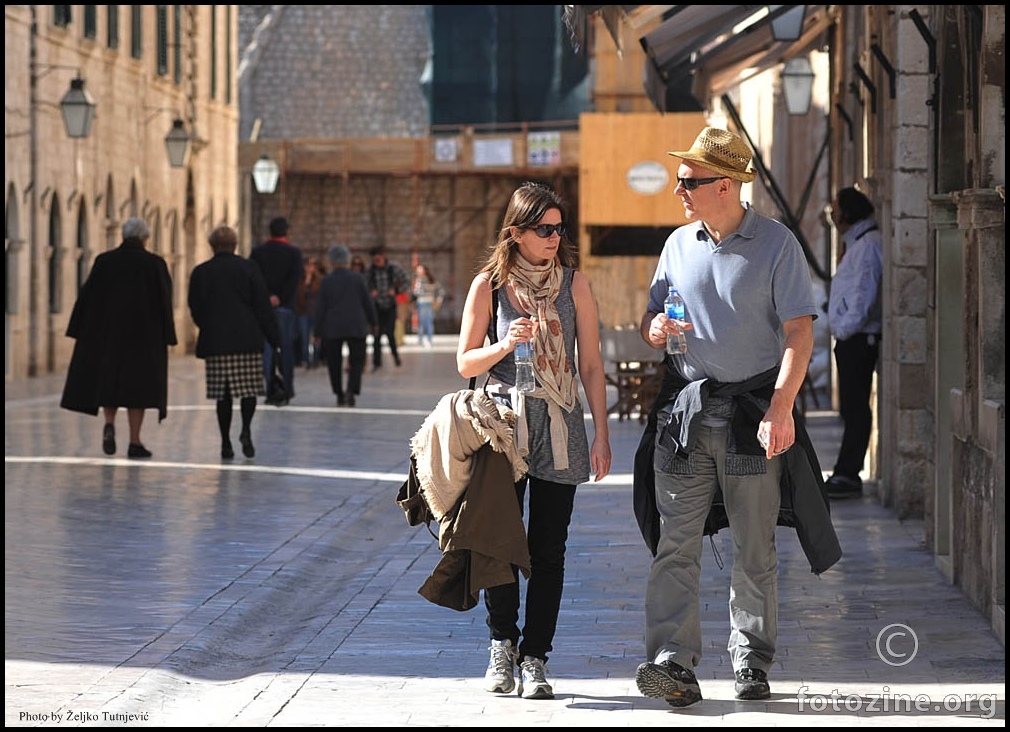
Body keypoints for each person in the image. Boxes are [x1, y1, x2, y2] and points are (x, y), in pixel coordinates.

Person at [634, 128, 837, 707]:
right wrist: (657, 330)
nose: (679, 189)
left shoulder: (777, 245)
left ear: (725, 186)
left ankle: (750, 658)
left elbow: (800, 332)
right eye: (678, 179)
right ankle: (673, 661)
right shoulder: (677, 244)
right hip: (686, 415)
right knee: (676, 543)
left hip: (752, 415)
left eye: (689, 181)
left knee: (754, 547)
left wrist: (781, 406)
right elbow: (653, 319)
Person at [457, 181, 612, 700]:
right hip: (504, 426)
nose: (554, 237)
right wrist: (505, 343)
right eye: (543, 229)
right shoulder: (490, 286)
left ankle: (535, 657)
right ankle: (501, 643)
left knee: (550, 549)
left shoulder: (576, 285)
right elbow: (464, 363)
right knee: (502, 541)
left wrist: (602, 433)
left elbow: (590, 364)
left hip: (562, 425)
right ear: (517, 232)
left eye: (558, 228)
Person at [60, 217, 177, 459]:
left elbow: (87, 297)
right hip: (144, 339)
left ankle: (110, 423)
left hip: (108, 336)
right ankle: (135, 442)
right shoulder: (155, 264)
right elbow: (165, 301)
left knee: (109, 383)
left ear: (123, 236)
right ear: (145, 238)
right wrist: (168, 335)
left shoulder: (104, 261)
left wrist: (80, 330)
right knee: (139, 390)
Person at [187, 225, 281, 459]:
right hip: (247, 339)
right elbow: (262, 305)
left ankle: (226, 442)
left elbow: (195, 306)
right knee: (248, 390)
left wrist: (206, 326)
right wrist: (274, 337)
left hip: (217, 341)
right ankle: (246, 430)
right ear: (235, 245)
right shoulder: (249, 268)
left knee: (223, 394)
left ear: (212, 246)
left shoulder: (201, 271)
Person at [824, 187, 883, 498]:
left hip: (858, 338)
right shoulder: (857, 243)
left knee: (857, 408)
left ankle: (848, 472)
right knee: (852, 407)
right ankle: (846, 470)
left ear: (847, 213)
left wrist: (845, 329)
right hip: (850, 337)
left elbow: (864, 293)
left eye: (835, 210)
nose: (833, 216)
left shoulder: (868, 245)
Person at [314, 244, 377, 407]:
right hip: (356, 326)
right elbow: (367, 302)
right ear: (347, 260)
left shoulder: (327, 281)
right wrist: (373, 322)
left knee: (334, 362)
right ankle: (351, 390)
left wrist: (317, 331)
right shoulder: (358, 278)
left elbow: (320, 307)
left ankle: (339, 394)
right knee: (357, 361)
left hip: (332, 328)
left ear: (331, 261)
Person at [249, 217, 304, 405]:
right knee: (286, 349)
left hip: (262, 308)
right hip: (285, 308)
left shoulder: (257, 253)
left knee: (266, 349)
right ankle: (287, 388)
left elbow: (254, 278)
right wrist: (280, 297)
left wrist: (267, 296)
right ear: (287, 231)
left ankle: (270, 387)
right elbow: (294, 279)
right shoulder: (294, 253)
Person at [365, 244, 409, 370]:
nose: (377, 262)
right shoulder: (370, 271)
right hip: (376, 306)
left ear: (383, 257)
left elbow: (406, 281)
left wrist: (396, 290)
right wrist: (371, 292)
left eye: (378, 259)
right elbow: (364, 286)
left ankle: (395, 356)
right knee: (376, 334)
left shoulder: (394, 269)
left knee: (390, 333)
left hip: (390, 305)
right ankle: (377, 362)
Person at [295, 255, 326, 369]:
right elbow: (298, 296)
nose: (309, 268)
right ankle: (306, 359)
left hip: (315, 312)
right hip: (303, 312)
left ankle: (316, 359)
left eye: (312, 265)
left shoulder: (320, 280)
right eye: (307, 265)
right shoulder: (300, 280)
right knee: (304, 338)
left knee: (316, 338)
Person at [411, 263, 444, 349]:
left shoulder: (422, 280)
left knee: (424, 322)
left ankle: (423, 340)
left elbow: (418, 292)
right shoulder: (430, 280)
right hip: (425, 302)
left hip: (425, 303)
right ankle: (425, 339)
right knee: (427, 322)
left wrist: (438, 299)